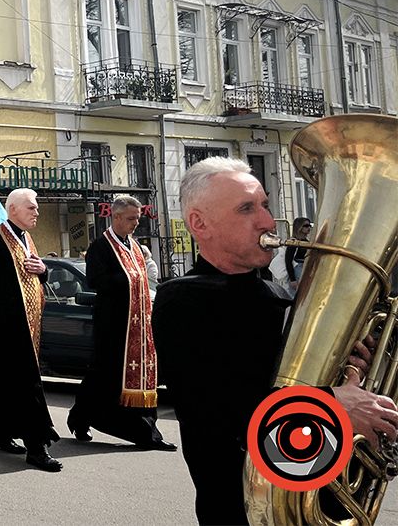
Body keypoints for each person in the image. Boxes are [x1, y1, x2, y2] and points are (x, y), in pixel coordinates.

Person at [154, 157, 398, 525]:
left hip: (320, 490)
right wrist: (334, 402)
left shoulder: (276, 294)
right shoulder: (182, 300)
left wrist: (350, 371)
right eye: (246, 209)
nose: (268, 221)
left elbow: (293, 387)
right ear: (199, 224)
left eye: (265, 205)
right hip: (244, 508)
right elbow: (222, 412)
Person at [0, 188, 61, 472]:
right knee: (27, 386)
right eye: (31, 207)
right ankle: (37, 447)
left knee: (9, 385)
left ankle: (1, 434)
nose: (37, 212)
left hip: (27, 327)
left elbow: (36, 276)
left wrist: (43, 270)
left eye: (37, 207)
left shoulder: (26, 238)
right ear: (13, 209)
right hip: (8, 329)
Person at [68, 195, 174, 451]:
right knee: (103, 378)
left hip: (138, 326)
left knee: (140, 378)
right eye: (130, 219)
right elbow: (95, 280)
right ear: (115, 217)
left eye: (137, 218)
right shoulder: (100, 247)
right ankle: (81, 417)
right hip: (113, 326)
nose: (135, 223)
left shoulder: (135, 247)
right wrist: (125, 278)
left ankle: (148, 434)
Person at [284, 216, 312, 292]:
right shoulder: (294, 242)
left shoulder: (306, 241)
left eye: (309, 225)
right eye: (306, 226)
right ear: (299, 227)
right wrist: (292, 279)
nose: (308, 228)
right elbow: (288, 261)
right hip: (298, 269)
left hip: (305, 268)